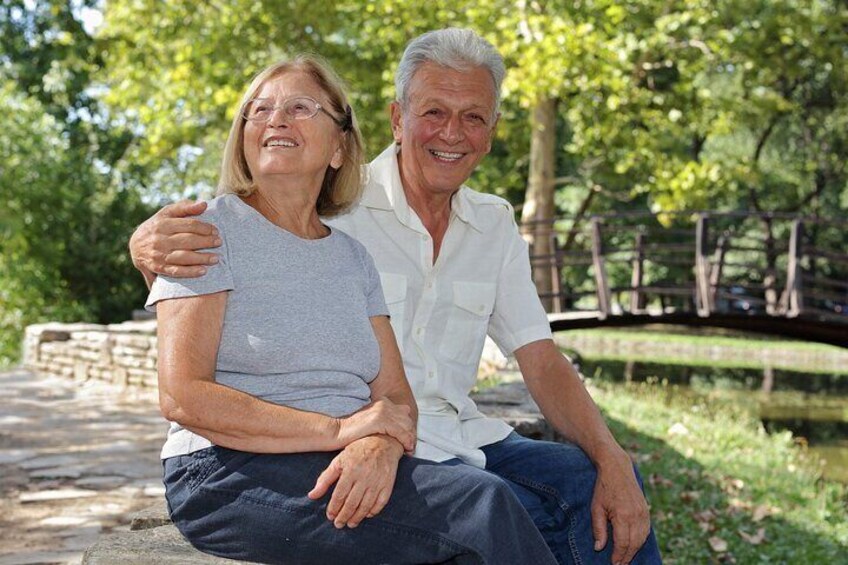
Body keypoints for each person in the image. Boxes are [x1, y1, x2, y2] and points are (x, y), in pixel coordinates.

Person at [132, 30, 662, 565]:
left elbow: (539, 358)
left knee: (596, 485)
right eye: (433, 111)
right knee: (486, 512)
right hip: (329, 446)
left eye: (473, 116)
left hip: (442, 434)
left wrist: (611, 455)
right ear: (397, 119)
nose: (452, 132)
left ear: (492, 132)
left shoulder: (416, 238)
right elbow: (237, 245)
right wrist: (142, 249)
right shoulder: (333, 207)